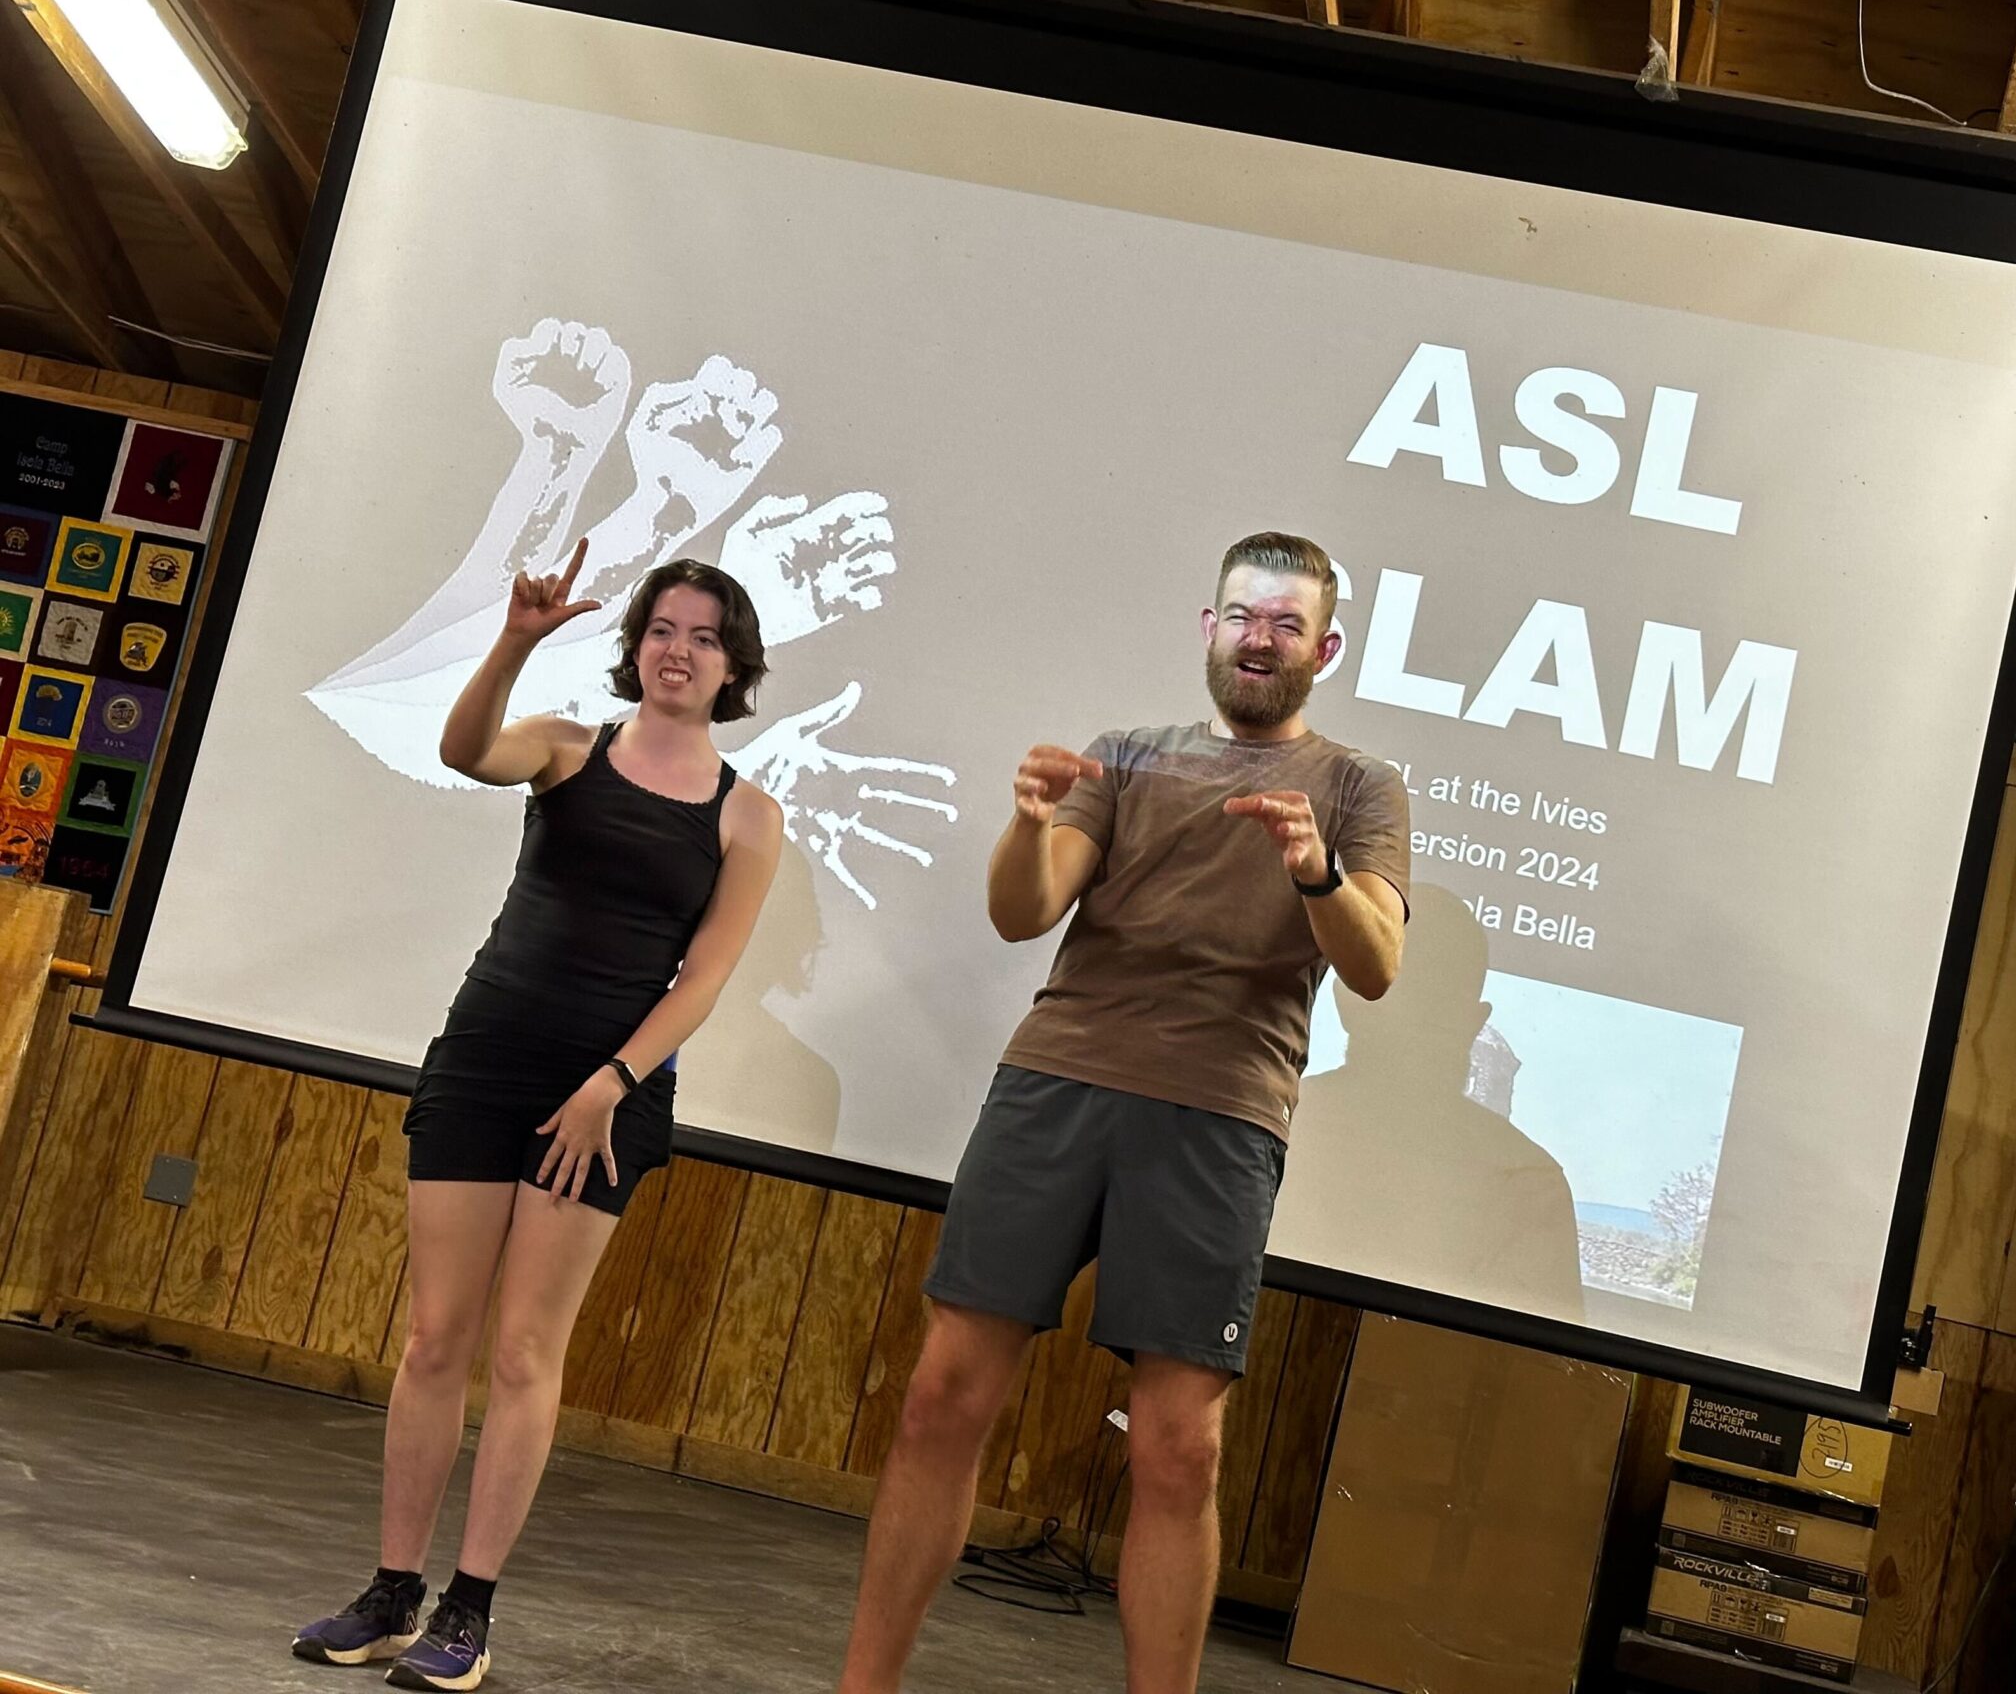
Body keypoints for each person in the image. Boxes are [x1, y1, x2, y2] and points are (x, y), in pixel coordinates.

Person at [837, 532, 1411, 1694]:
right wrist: (1023, 820)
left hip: (1219, 1117)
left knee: (1178, 1450)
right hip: (1056, 1084)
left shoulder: (1357, 787)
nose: (1261, 637)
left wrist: (1313, 870)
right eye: (1243, 615)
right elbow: (1025, 910)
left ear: (1324, 649)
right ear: (1208, 628)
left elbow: (1379, 964)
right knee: (943, 1395)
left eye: (1286, 623)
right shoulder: (1126, 759)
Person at [292, 545, 784, 1691]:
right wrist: (513, 640)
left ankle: (471, 1611)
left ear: (732, 666)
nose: (679, 648)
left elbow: (703, 977)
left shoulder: (747, 815)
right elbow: (466, 750)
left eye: (705, 636)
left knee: (523, 1351)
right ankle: (391, 1593)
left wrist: (612, 1081)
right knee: (435, 1340)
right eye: (664, 627)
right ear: (637, 646)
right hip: (486, 1057)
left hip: (603, 1097)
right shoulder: (569, 746)